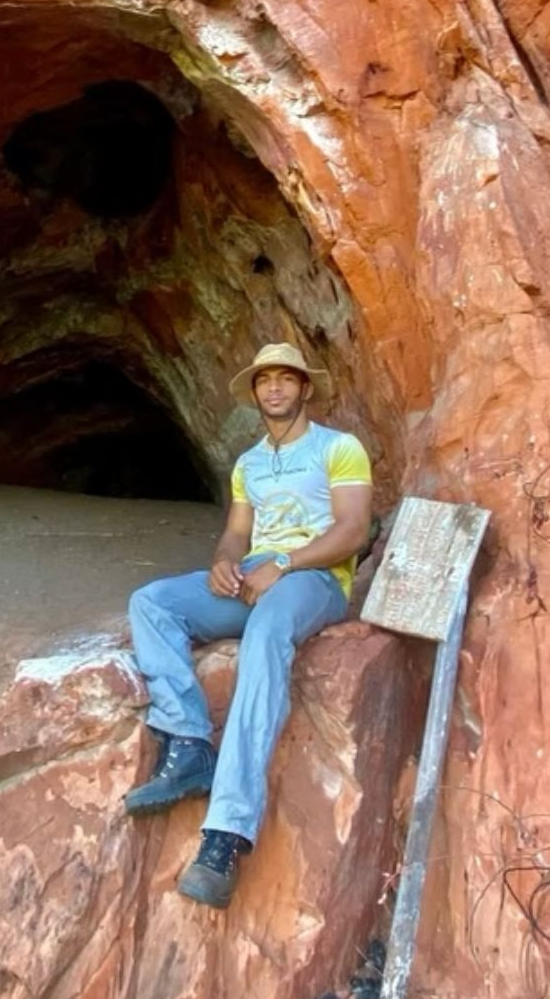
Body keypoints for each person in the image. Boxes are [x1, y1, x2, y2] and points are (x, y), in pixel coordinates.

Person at [124, 342, 373, 909]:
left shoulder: (339, 448)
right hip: (256, 577)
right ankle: (187, 743)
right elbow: (239, 533)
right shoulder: (249, 463)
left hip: (314, 580)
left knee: (265, 633)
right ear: (256, 392)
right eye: (266, 381)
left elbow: (354, 529)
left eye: (287, 379)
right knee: (152, 602)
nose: (276, 389)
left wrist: (284, 563)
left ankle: (226, 834)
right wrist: (224, 561)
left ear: (305, 388)